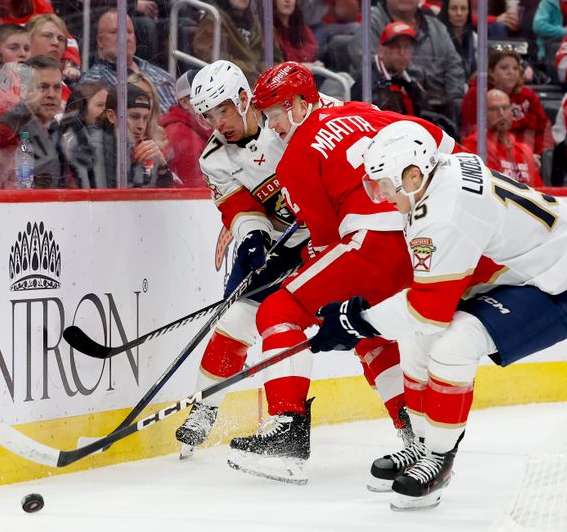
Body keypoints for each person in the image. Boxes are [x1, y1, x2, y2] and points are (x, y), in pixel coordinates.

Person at [308, 120, 567, 511]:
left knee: (452, 343)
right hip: (515, 269)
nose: (377, 194)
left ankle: (440, 458)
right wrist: (359, 318)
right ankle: (422, 444)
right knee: (414, 340)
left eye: (382, 183)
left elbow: (428, 312)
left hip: (554, 285)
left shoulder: (443, 212)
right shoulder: (432, 178)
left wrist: (354, 320)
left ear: (413, 175)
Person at [225, 62, 457, 485]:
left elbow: (327, 243)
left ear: (301, 104)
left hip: (372, 245)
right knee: (361, 320)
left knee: (280, 310)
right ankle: (413, 433)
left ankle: (287, 431)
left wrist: (284, 268)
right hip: (417, 244)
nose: (272, 124)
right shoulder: (365, 111)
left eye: (276, 112)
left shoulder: (295, 158)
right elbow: (444, 143)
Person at [173, 60, 315, 459]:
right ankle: (205, 408)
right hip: (283, 241)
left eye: (223, 110)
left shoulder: (283, 121)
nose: (219, 123)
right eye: (209, 116)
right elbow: (238, 208)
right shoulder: (214, 158)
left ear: (242, 98)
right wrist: (251, 236)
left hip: (326, 234)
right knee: (236, 319)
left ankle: (409, 426)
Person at [348, 0, 465, 118]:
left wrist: (454, 100)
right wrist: (409, 89)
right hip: (396, 107)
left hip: (442, 107)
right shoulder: (372, 23)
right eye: (396, 47)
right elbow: (366, 63)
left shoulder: (437, 27)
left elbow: (454, 66)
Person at [0, 55, 67, 188]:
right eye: (43, 87)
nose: (52, 94)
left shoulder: (55, 127)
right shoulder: (9, 128)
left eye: (57, 87)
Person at [81, 9, 176, 113]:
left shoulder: (162, 74)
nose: (125, 38)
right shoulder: (93, 82)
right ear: (100, 41)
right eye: (114, 32)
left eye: (129, 32)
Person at [461, 49, 551, 155]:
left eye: (515, 68)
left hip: (529, 157)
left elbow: (544, 129)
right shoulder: (477, 94)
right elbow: (471, 131)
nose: (511, 72)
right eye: (504, 68)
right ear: (491, 71)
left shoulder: (529, 96)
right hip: (490, 157)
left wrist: (541, 155)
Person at [192, 0, 283, 85]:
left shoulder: (257, 20)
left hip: (262, 83)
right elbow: (216, 60)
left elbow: (275, 57)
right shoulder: (214, 19)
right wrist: (253, 70)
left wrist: (271, 73)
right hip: (230, 86)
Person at [462, 89, 542, 187]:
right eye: (494, 109)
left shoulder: (524, 151)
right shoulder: (474, 145)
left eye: (505, 108)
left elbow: (540, 190)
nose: (501, 113)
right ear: (483, 114)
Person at [104, 83, 173, 188]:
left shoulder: (141, 149)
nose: (141, 126)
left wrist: (162, 166)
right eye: (134, 117)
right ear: (111, 116)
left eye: (145, 118)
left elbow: (165, 199)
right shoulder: (94, 149)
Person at [355, 21, 428, 116]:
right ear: (381, 51)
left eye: (407, 47)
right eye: (396, 47)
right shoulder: (366, 83)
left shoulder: (415, 79)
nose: (402, 53)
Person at [158, 69, 210, 188]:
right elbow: (193, 191)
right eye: (203, 96)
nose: (211, 102)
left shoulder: (198, 129)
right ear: (185, 102)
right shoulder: (182, 136)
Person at [60, 81, 115, 188]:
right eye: (100, 105)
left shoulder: (113, 138)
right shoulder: (69, 141)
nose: (106, 110)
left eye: (108, 105)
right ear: (81, 109)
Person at [437, 0, 476, 81]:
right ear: (446, 11)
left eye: (463, 8)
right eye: (454, 8)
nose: (459, 13)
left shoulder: (474, 38)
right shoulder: (437, 37)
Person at [274, 0, 320, 65]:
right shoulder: (269, 31)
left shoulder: (299, 26)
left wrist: (315, 64)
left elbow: (313, 51)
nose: (287, 0)